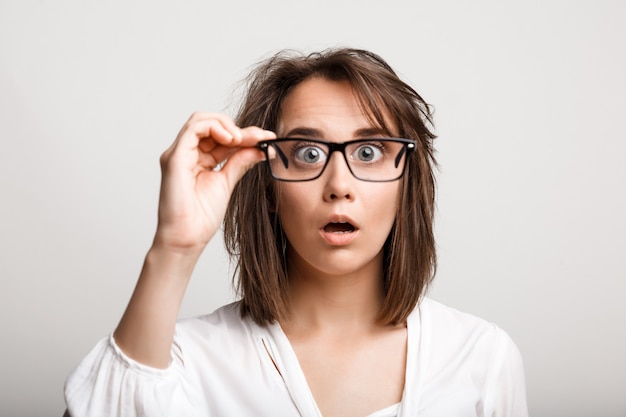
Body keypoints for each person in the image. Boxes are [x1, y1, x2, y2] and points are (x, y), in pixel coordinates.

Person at [64, 48, 528, 417]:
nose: (339, 186)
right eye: (307, 153)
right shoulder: (182, 361)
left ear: (408, 182)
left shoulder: (481, 357)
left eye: (368, 152)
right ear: (267, 185)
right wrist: (174, 246)